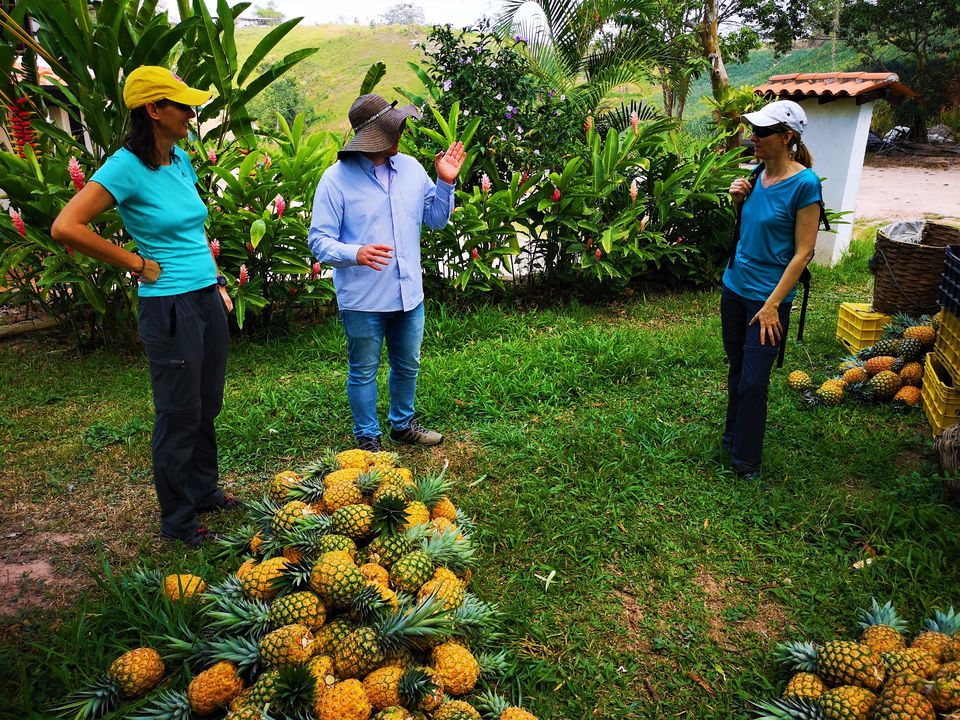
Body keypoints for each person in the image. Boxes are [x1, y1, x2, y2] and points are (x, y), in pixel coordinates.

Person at [51, 66, 236, 548]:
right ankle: (177, 519)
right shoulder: (123, 166)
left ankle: (203, 490)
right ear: (154, 110)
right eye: (183, 107)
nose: (192, 116)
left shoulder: (179, 159)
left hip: (203, 296)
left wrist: (216, 281)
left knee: (206, 402)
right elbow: (66, 225)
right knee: (178, 411)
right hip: (168, 305)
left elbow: (193, 228)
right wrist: (134, 262)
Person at [309, 93, 465, 452]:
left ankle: (403, 425)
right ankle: (367, 438)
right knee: (363, 370)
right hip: (363, 299)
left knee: (407, 365)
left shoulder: (411, 169)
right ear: (372, 138)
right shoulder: (335, 181)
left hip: (409, 294)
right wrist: (356, 253)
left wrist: (446, 182)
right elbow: (319, 241)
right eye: (393, 130)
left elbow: (436, 220)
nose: (400, 136)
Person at [721, 99, 822, 480]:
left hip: (769, 298)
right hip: (734, 287)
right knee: (737, 369)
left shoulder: (805, 184)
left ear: (787, 137)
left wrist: (772, 306)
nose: (753, 137)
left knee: (754, 381)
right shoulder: (756, 175)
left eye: (762, 132)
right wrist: (737, 203)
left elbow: (804, 252)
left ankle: (746, 463)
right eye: (754, 130)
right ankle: (732, 439)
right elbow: (751, 232)